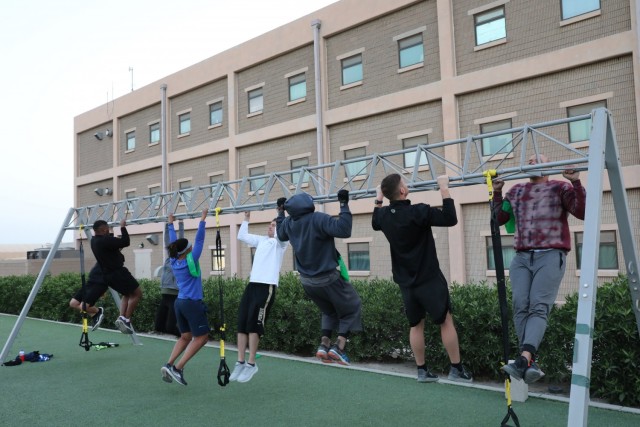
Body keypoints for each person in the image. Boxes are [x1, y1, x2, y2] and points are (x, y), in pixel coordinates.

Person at [492, 154, 586, 384]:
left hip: (551, 254)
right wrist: (496, 191)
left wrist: (576, 182)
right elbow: (498, 219)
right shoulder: (515, 191)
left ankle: (523, 358)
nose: (533, 161)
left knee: (538, 306)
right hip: (522, 256)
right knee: (520, 305)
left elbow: (582, 212)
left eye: (538, 158)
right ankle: (528, 360)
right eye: (530, 158)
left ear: (548, 165)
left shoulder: (560, 187)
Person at [372, 173, 473, 383]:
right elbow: (450, 218)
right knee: (445, 320)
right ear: (402, 191)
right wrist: (444, 188)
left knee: (416, 324)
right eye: (404, 183)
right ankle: (456, 369)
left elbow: (374, 221)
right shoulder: (419, 211)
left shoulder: (383, 217)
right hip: (429, 278)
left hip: (405, 282)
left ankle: (422, 370)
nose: (407, 185)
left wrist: (378, 199)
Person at [276, 190, 362, 366]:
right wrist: (344, 204)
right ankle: (339, 347)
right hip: (328, 278)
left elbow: (281, 234)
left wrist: (280, 213)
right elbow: (344, 230)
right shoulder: (318, 218)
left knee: (329, 311)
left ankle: (324, 345)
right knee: (352, 307)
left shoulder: (290, 223)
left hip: (307, 282)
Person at [229, 211, 289, 383]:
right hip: (252, 285)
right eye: (269, 225)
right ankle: (240, 361)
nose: (270, 227)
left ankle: (251, 363)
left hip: (266, 287)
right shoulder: (262, 240)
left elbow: (281, 233)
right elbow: (242, 236)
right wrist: (246, 219)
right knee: (242, 324)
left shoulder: (281, 243)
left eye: (274, 225)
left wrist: (281, 213)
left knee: (255, 326)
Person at [161, 209, 210, 386]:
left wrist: (170, 223)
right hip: (191, 304)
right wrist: (203, 219)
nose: (192, 247)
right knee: (202, 338)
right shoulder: (191, 259)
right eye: (189, 246)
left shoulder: (174, 260)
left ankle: (169, 364)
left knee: (185, 336)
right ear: (187, 250)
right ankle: (178, 368)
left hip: (180, 303)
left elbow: (174, 242)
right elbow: (200, 240)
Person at [91, 219, 143, 334]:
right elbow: (125, 242)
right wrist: (123, 227)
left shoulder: (94, 241)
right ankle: (126, 319)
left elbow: (113, 245)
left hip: (108, 276)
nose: (109, 231)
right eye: (108, 229)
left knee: (127, 294)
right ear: (104, 230)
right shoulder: (105, 241)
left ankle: (121, 317)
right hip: (118, 272)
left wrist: (111, 233)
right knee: (137, 294)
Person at [154, 222, 180, 337]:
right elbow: (168, 242)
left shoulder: (178, 260)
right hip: (165, 293)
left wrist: (180, 224)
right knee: (159, 326)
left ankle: (183, 334)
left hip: (174, 294)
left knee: (170, 327)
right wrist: (167, 224)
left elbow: (176, 242)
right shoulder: (169, 259)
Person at [69, 263, 107, 331]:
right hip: (90, 281)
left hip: (99, 284)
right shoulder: (101, 256)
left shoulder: (113, 258)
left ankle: (98, 311)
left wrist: (104, 291)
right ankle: (95, 315)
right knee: (73, 303)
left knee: (83, 307)